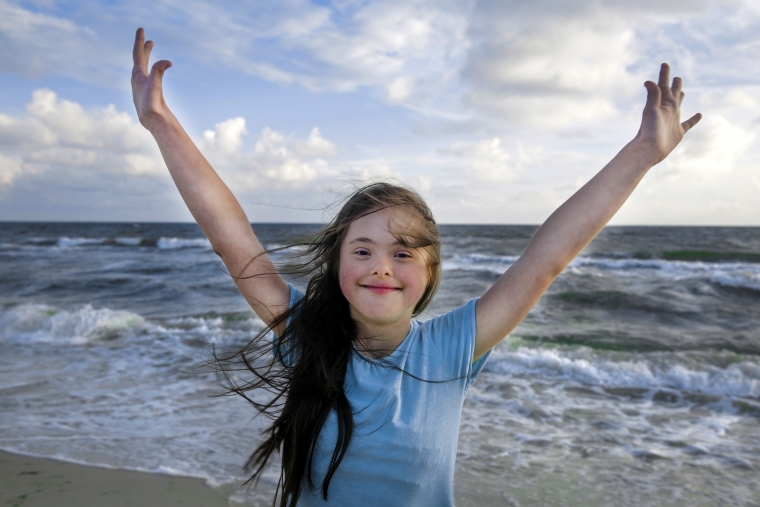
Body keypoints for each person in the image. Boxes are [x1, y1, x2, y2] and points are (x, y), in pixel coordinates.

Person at [131, 27, 701, 507]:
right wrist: (161, 123)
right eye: (363, 250)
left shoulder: (452, 347)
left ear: (429, 273)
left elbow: (546, 258)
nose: (382, 267)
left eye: (403, 252)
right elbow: (232, 241)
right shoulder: (306, 336)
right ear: (336, 266)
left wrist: (642, 154)